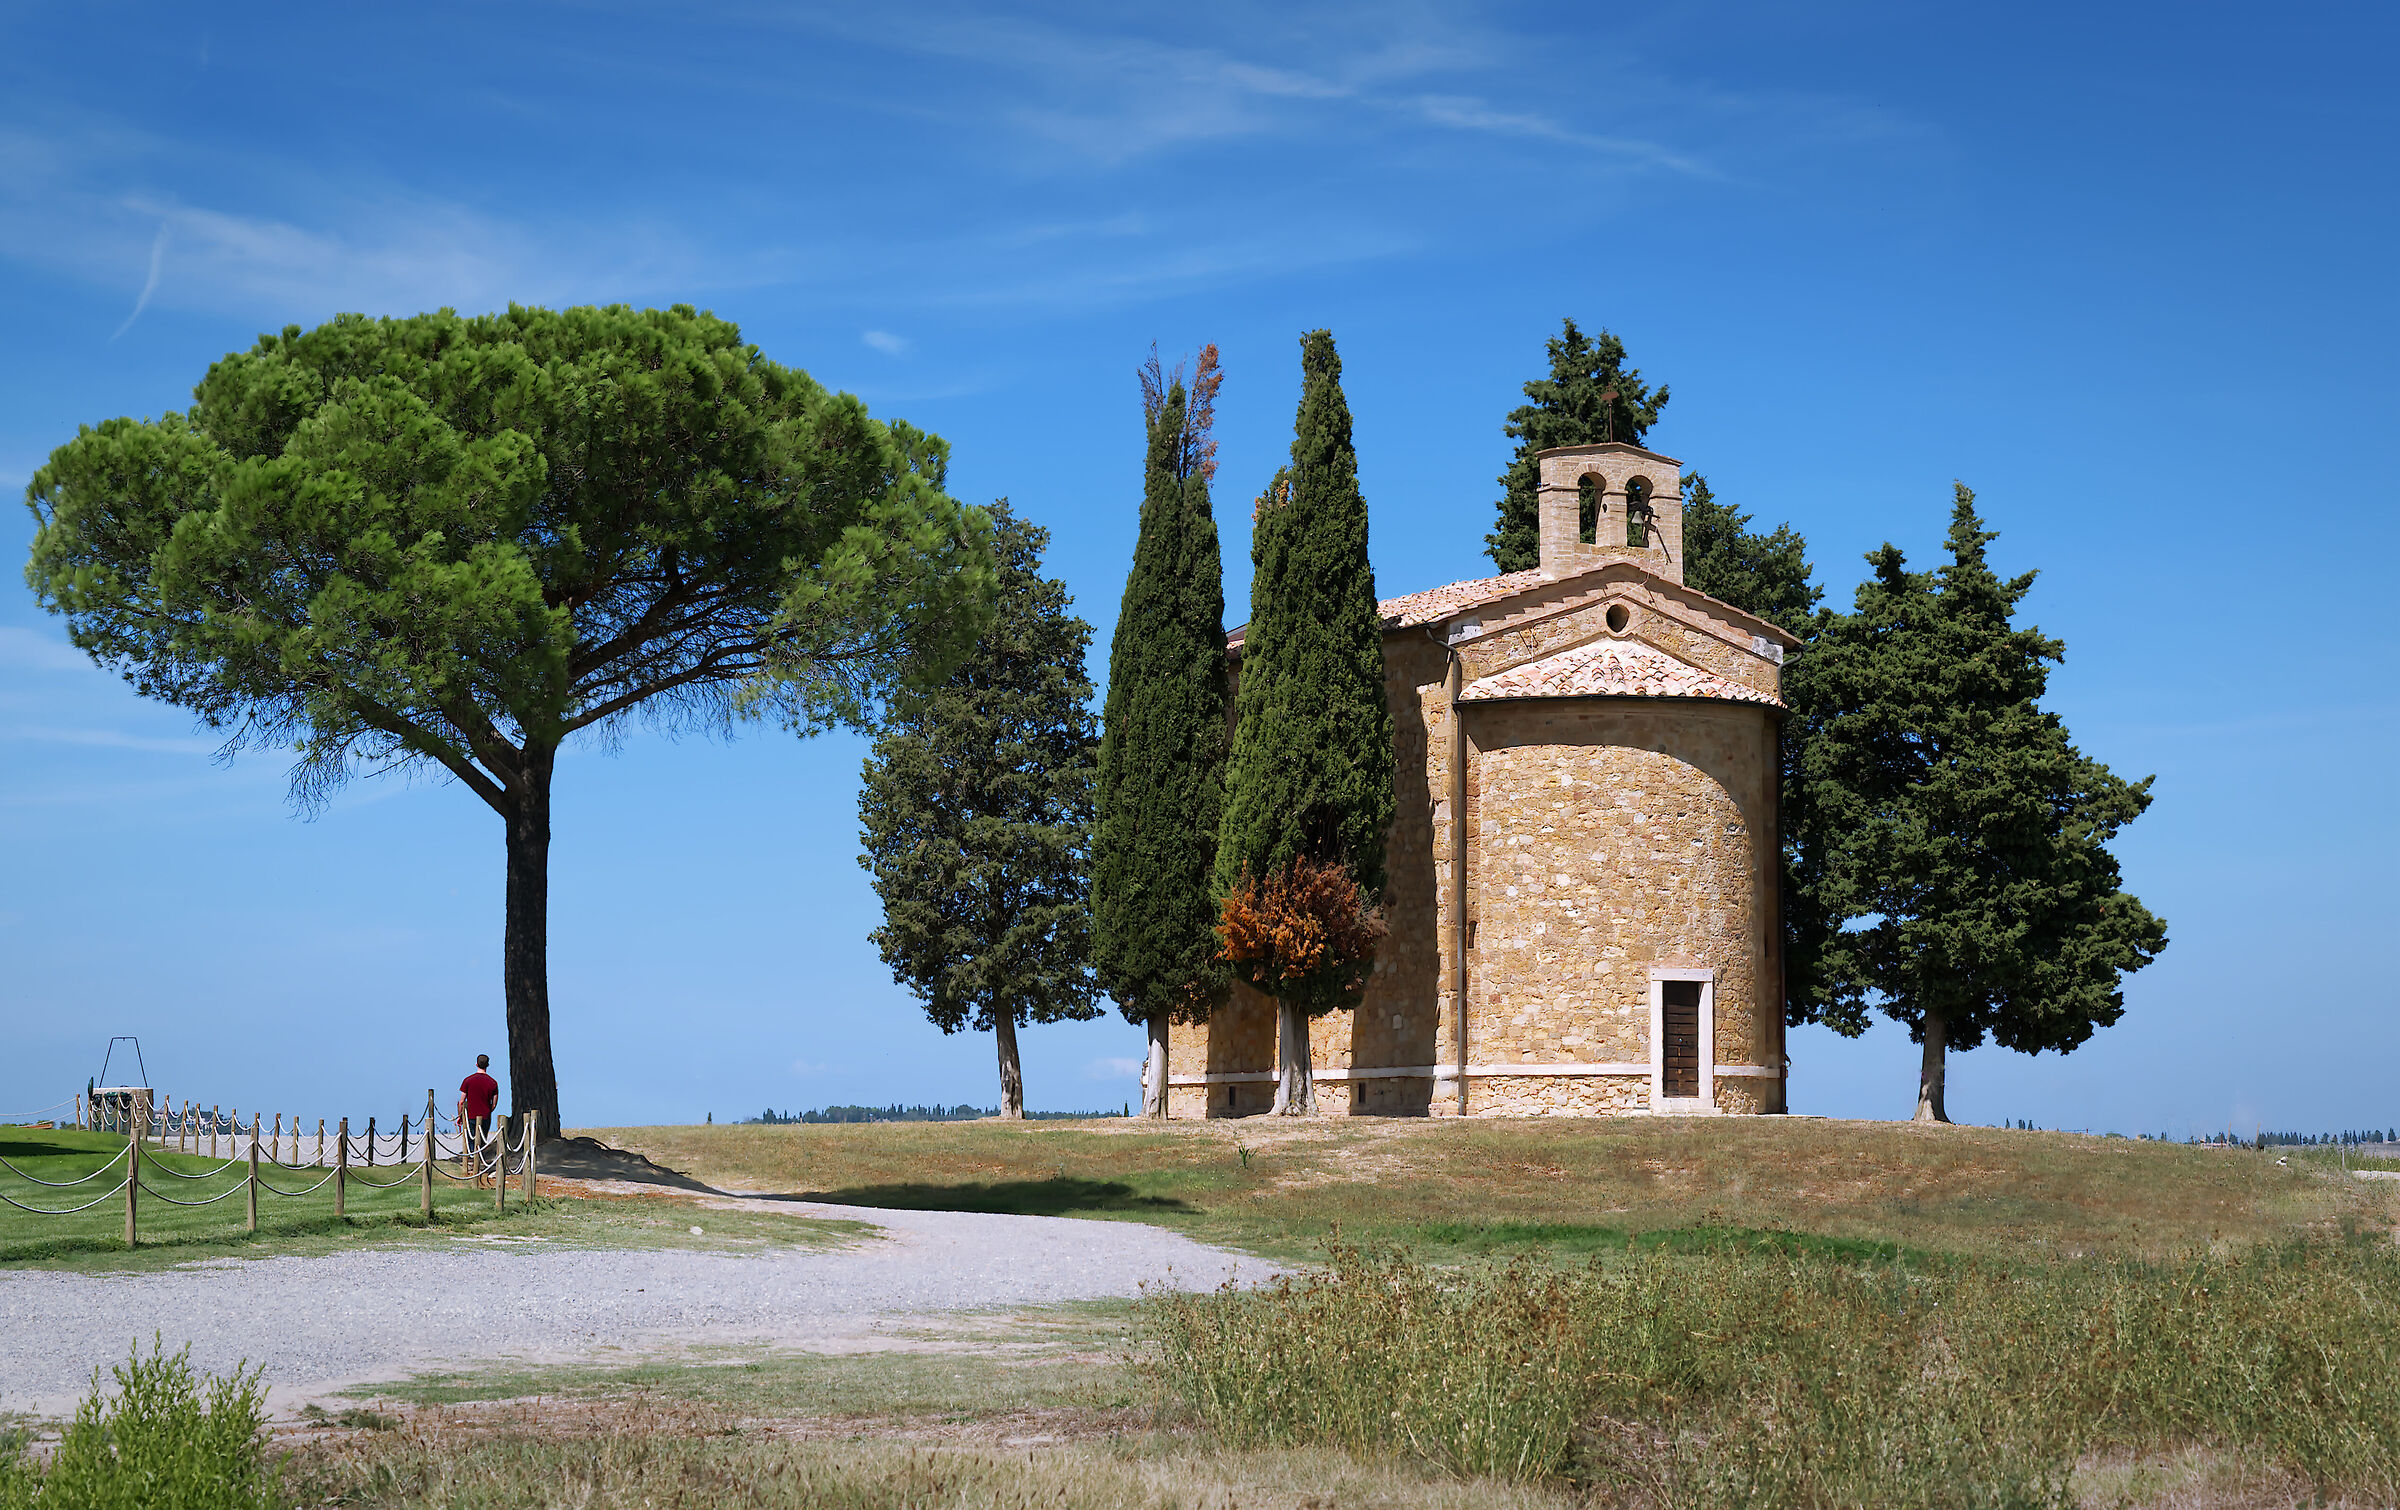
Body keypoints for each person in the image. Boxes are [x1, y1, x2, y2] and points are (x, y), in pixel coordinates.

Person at [458, 1055, 500, 1182]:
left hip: (470, 1115)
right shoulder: (493, 1083)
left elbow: (461, 1101)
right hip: (485, 1115)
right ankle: (479, 1165)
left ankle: (472, 1166)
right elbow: (494, 1102)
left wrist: (460, 1115)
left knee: (471, 1141)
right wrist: (488, 1110)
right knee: (481, 1140)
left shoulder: (468, 1080)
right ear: (487, 1065)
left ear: (476, 1064)